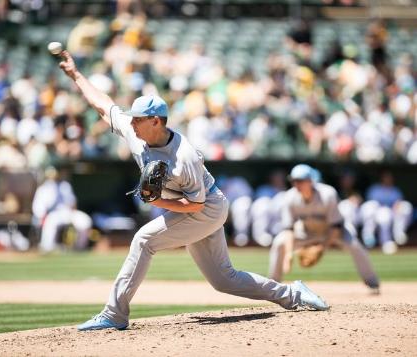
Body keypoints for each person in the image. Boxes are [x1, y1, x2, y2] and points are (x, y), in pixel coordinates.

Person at [57, 50, 329, 331]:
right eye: (133, 118)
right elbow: (104, 105)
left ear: (156, 121)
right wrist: (76, 75)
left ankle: (115, 313)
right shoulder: (136, 133)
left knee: (143, 240)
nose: (132, 122)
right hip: (196, 206)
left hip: (207, 206)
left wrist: (158, 199)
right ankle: (294, 293)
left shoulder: (183, 156)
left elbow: (195, 206)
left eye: (138, 119)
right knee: (224, 280)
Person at [268, 164, 380, 294]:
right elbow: (289, 229)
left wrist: (321, 248)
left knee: (355, 246)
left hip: (332, 231)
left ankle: (372, 282)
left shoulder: (327, 194)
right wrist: (288, 255)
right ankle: (273, 285)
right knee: (279, 242)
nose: (296, 184)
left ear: (311, 181)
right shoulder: (290, 197)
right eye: (294, 181)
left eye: (300, 180)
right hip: (307, 231)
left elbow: (336, 226)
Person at [32, 166, 92, 252]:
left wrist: (72, 212)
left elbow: (72, 202)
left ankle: (80, 247)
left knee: (85, 220)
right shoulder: (43, 189)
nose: (53, 177)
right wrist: (42, 216)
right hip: (52, 214)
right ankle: (47, 247)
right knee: (51, 222)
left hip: (68, 212)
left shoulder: (65, 186)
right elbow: (38, 207)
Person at [359, 171, 413, 255]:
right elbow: (372, 204)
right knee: (381, 214)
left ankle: (399, 233)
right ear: (382, 178)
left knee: (406, 207)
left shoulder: (395, 190)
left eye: (389, 177)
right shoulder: (375, 189)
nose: (388, 179)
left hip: (392, 213)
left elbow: (398, 202)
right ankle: (371, 236)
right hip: (378, 214)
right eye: (386, 177)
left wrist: (396, 205)